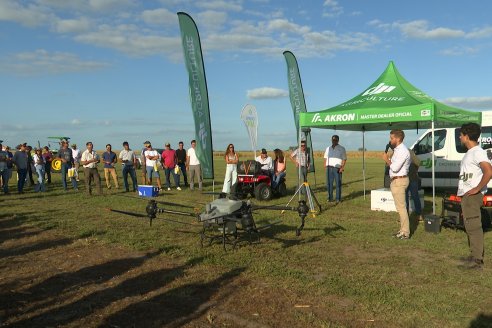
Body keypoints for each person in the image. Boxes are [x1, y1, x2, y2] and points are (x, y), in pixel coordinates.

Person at [457, 123, 492, 270]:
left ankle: (477, 260)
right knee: (470, 226)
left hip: (473, 196)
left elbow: (489, 171)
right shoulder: (471, 152)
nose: (459, 137)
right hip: (467, 196)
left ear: (466, 136)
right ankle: (473, 255)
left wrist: (477, 189)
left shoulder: (477, 152)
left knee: (474, 227)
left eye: (461, 135)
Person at [382, 129, 411, 240]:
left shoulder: (403, 151)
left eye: (392, 138)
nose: (390, 140)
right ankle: (402, 230)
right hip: (396, 181)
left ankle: (405, 232)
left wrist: (387, 159)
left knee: (402, 208)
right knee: (400, 208)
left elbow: (394, 167)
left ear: (398, 139)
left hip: (399, 181)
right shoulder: (398, 150)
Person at [324, 135, 347, 204]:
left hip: (337, 168)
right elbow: (325, 157)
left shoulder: (342, 148)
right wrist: (325, 165)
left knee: (338, 184)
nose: (334, 141)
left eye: (336, 140)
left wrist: (342, 167)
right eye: (333, 140)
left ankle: (338, 199)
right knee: (329, 184)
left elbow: (344, 159)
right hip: (329, 167)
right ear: (331, 140)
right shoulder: (328, 148)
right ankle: (330, 198)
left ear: (338, 140)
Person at [405, 149, 423, 221]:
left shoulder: (407, 151)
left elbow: (418, 162)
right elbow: (418, 163)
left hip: (409, 178)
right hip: (411, 177)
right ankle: (418, 215)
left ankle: (417, 214)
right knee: (414, 196)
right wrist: (415, 170)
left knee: (409, 196)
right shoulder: (409, 151)